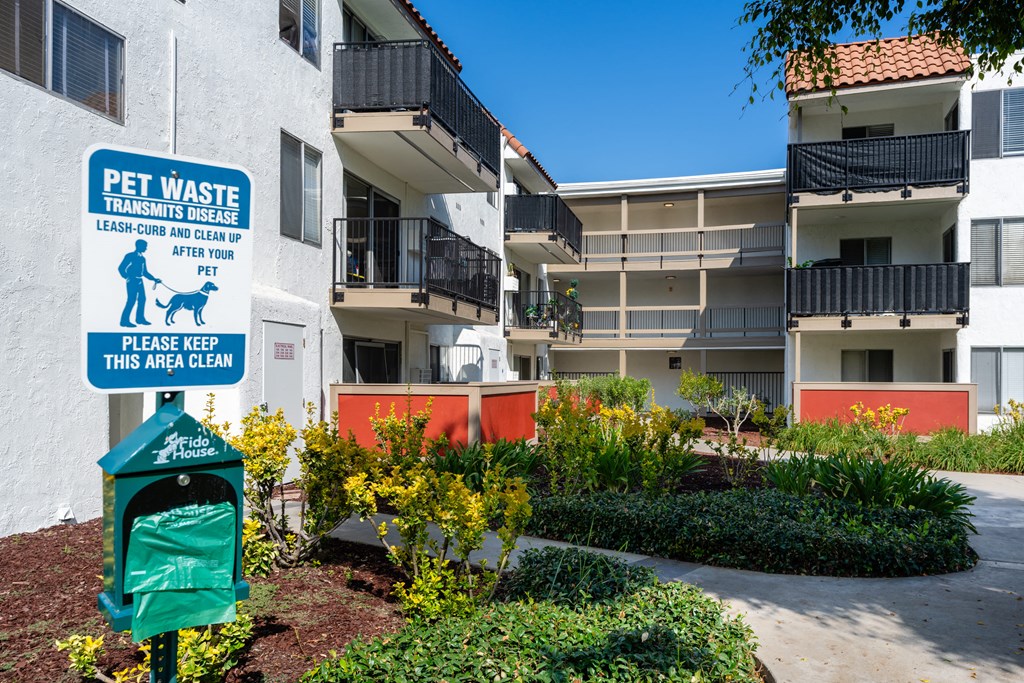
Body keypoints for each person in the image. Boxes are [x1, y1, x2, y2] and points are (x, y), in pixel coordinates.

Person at [118, 239, 161, 327]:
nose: (146, 248)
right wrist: (126, 277)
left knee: (142, 299)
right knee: (131, 301)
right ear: (139, 246)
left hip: (140, 281)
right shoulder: (130, 256)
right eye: (145, 246)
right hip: (132, 281)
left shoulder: (143, 258)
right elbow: (121, 268)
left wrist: (154, 279)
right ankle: (124, 321)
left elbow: (145, 272)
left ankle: (140, 319)